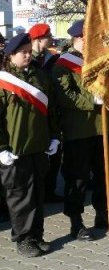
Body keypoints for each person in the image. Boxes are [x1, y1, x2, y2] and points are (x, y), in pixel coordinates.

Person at [53, 20, 109, 241]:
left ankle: (102, 213)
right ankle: (76, 221)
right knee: (78, 178)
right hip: (79, 130)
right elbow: (65, 95)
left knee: (103, 175)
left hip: (102, 128)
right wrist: (92, 101)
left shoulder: (99, 60)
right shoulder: (63, 64)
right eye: (87, 38)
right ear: (77, 39)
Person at [0, 33, 60, 257]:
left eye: (28, 51)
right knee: (19, 196)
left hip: (39, 145)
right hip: (14, 150)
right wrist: (1, 148)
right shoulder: (3, 81)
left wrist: (55, 136)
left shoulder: (39, 76)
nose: (28, 55)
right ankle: (23, 238)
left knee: (37, 193)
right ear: (11, 55)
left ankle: (37, 235)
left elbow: (51, 110)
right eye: (22, 52)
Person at [28, 23, 63, 204]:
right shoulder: (28, 60)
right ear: (39, 39)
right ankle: (38, 194)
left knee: (55, 155)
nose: (51, 39)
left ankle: (49, 190)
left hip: (52, 110)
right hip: (36, 113)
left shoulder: (52, 59)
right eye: (49, 36)